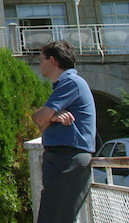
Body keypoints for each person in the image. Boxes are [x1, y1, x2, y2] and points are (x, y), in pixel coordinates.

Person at [32, 40, 96, 223]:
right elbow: (38, 119)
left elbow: (40, 119)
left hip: (68, 160)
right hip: (63, 160)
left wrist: (48, 117)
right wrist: (53, 117)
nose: (39, 65)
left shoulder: (71, 83)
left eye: (41, 60)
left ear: (52, 60)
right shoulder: (65, 85)